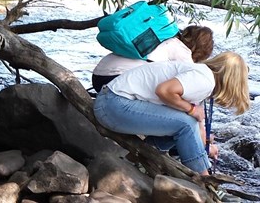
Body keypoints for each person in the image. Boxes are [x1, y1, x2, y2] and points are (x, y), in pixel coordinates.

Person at [93, 51, 250, 176]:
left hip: (112, 102)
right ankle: (203, 178)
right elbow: (164, 91)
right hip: (112, 105)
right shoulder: (204, 79)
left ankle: (136, 160)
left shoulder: (201, 77)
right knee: (185, 123)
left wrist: (207, 146)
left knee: (185, 121)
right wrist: (191, 110)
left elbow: (198, 125)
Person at [91, 25, 214, 93]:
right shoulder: (182, 52)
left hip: (98, 75)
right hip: (111, 81)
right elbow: (190, 88)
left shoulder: (164, 38)